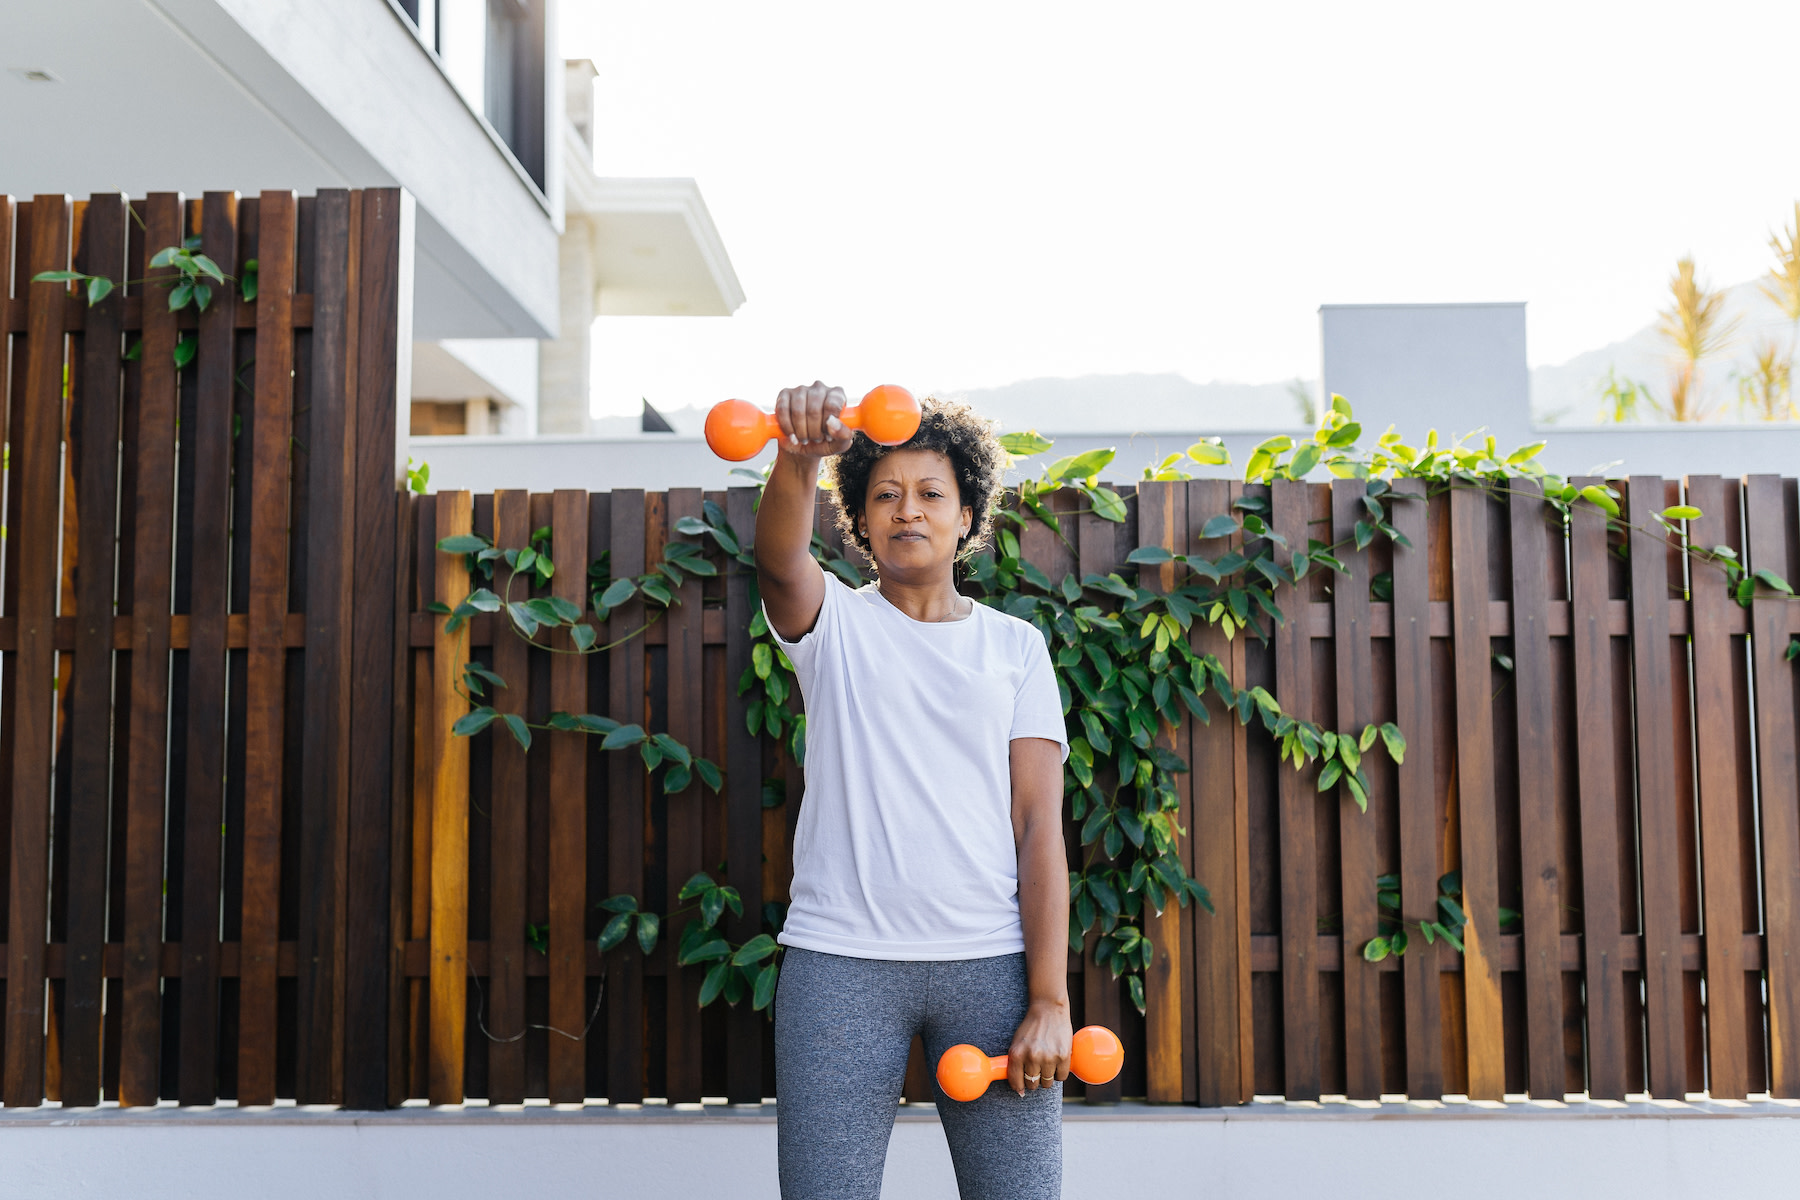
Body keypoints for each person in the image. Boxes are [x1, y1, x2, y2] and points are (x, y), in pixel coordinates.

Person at [757, 381, 1071, 1200]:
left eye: (932, 493)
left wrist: (1048, 997)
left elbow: (1039, 828)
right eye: (884, 496)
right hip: (840, 964)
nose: (908, 511)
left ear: (967, 514)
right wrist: (797, 459)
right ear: (859, 521)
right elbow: (780, 561)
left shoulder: (1016, 648)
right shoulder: (836, 627)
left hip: (989, 968)